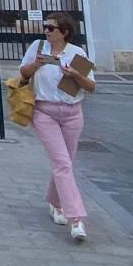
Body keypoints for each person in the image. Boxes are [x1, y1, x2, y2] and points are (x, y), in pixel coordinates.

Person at [19, 12, 96, 242]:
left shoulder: (77, 54)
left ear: (64, 32)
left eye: (51, 28)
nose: (46, 31)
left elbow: (91, 86)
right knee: (62, 163)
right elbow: (23, 73)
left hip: (73, 113)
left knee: (65, 162)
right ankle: (76, 219)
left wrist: (74, 74)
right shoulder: (38, 46)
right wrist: (36, 64)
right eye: (45, 27)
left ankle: (54, 201)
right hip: (45, 111)